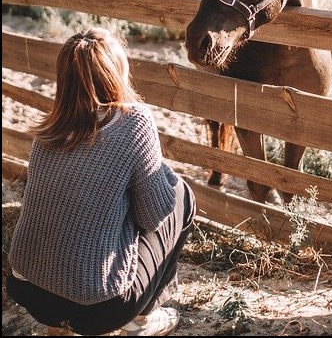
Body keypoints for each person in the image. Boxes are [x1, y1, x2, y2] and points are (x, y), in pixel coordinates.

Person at [6, 27, 196, 336]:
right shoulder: (134, 121)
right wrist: (157, 169)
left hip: (29, 290)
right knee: (182, 195)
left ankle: (61, 324)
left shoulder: (49, 128)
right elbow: (153, 216)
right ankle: (141, 317)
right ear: (114, 72)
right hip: (99, 309)